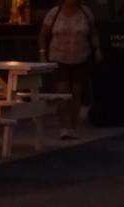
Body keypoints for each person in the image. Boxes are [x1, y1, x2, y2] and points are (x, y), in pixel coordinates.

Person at [38, 0, 101, 140]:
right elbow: (43, 34)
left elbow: (92, 31)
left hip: (80, 56)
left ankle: (73, 126)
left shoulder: (85, 12)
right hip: (59, 56)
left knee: (76, 93)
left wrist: (97, 49)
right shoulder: (55, 13)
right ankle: (64, 127)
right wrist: (42, 53)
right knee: (63, 92)